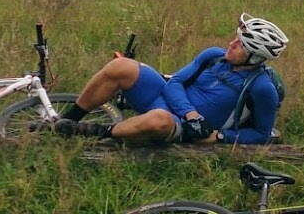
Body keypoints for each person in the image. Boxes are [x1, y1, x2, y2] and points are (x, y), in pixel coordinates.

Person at [53, 14, 288, 145]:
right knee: (121, 66)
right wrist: (191, 113)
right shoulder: (214, 56)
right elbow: (175, 82)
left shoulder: (261, 88)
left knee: (159, 119)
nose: (231, 44)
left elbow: (262, 133)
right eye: (235, 38)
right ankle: (67, 121)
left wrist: (219, 136)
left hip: (178, 125)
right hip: (167, 100)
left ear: (255, 57)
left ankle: (95, 132)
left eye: (241, 45)